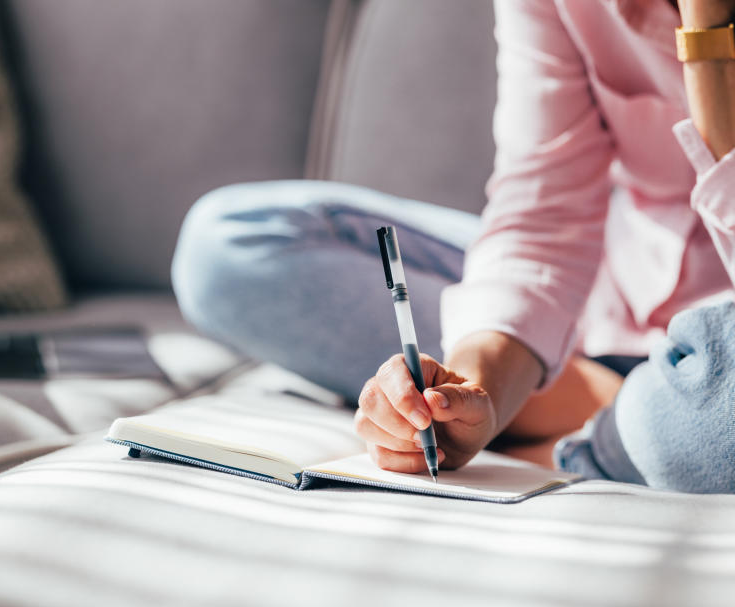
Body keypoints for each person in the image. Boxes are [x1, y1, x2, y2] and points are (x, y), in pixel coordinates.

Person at [171, 0, 735, 493]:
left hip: (722, 333)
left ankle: (608, 421)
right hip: (601, 297)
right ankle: (607, 401)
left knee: (714, 423)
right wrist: (476, 391)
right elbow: (544, 212)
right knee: (231, 244)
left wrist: (709, 37)